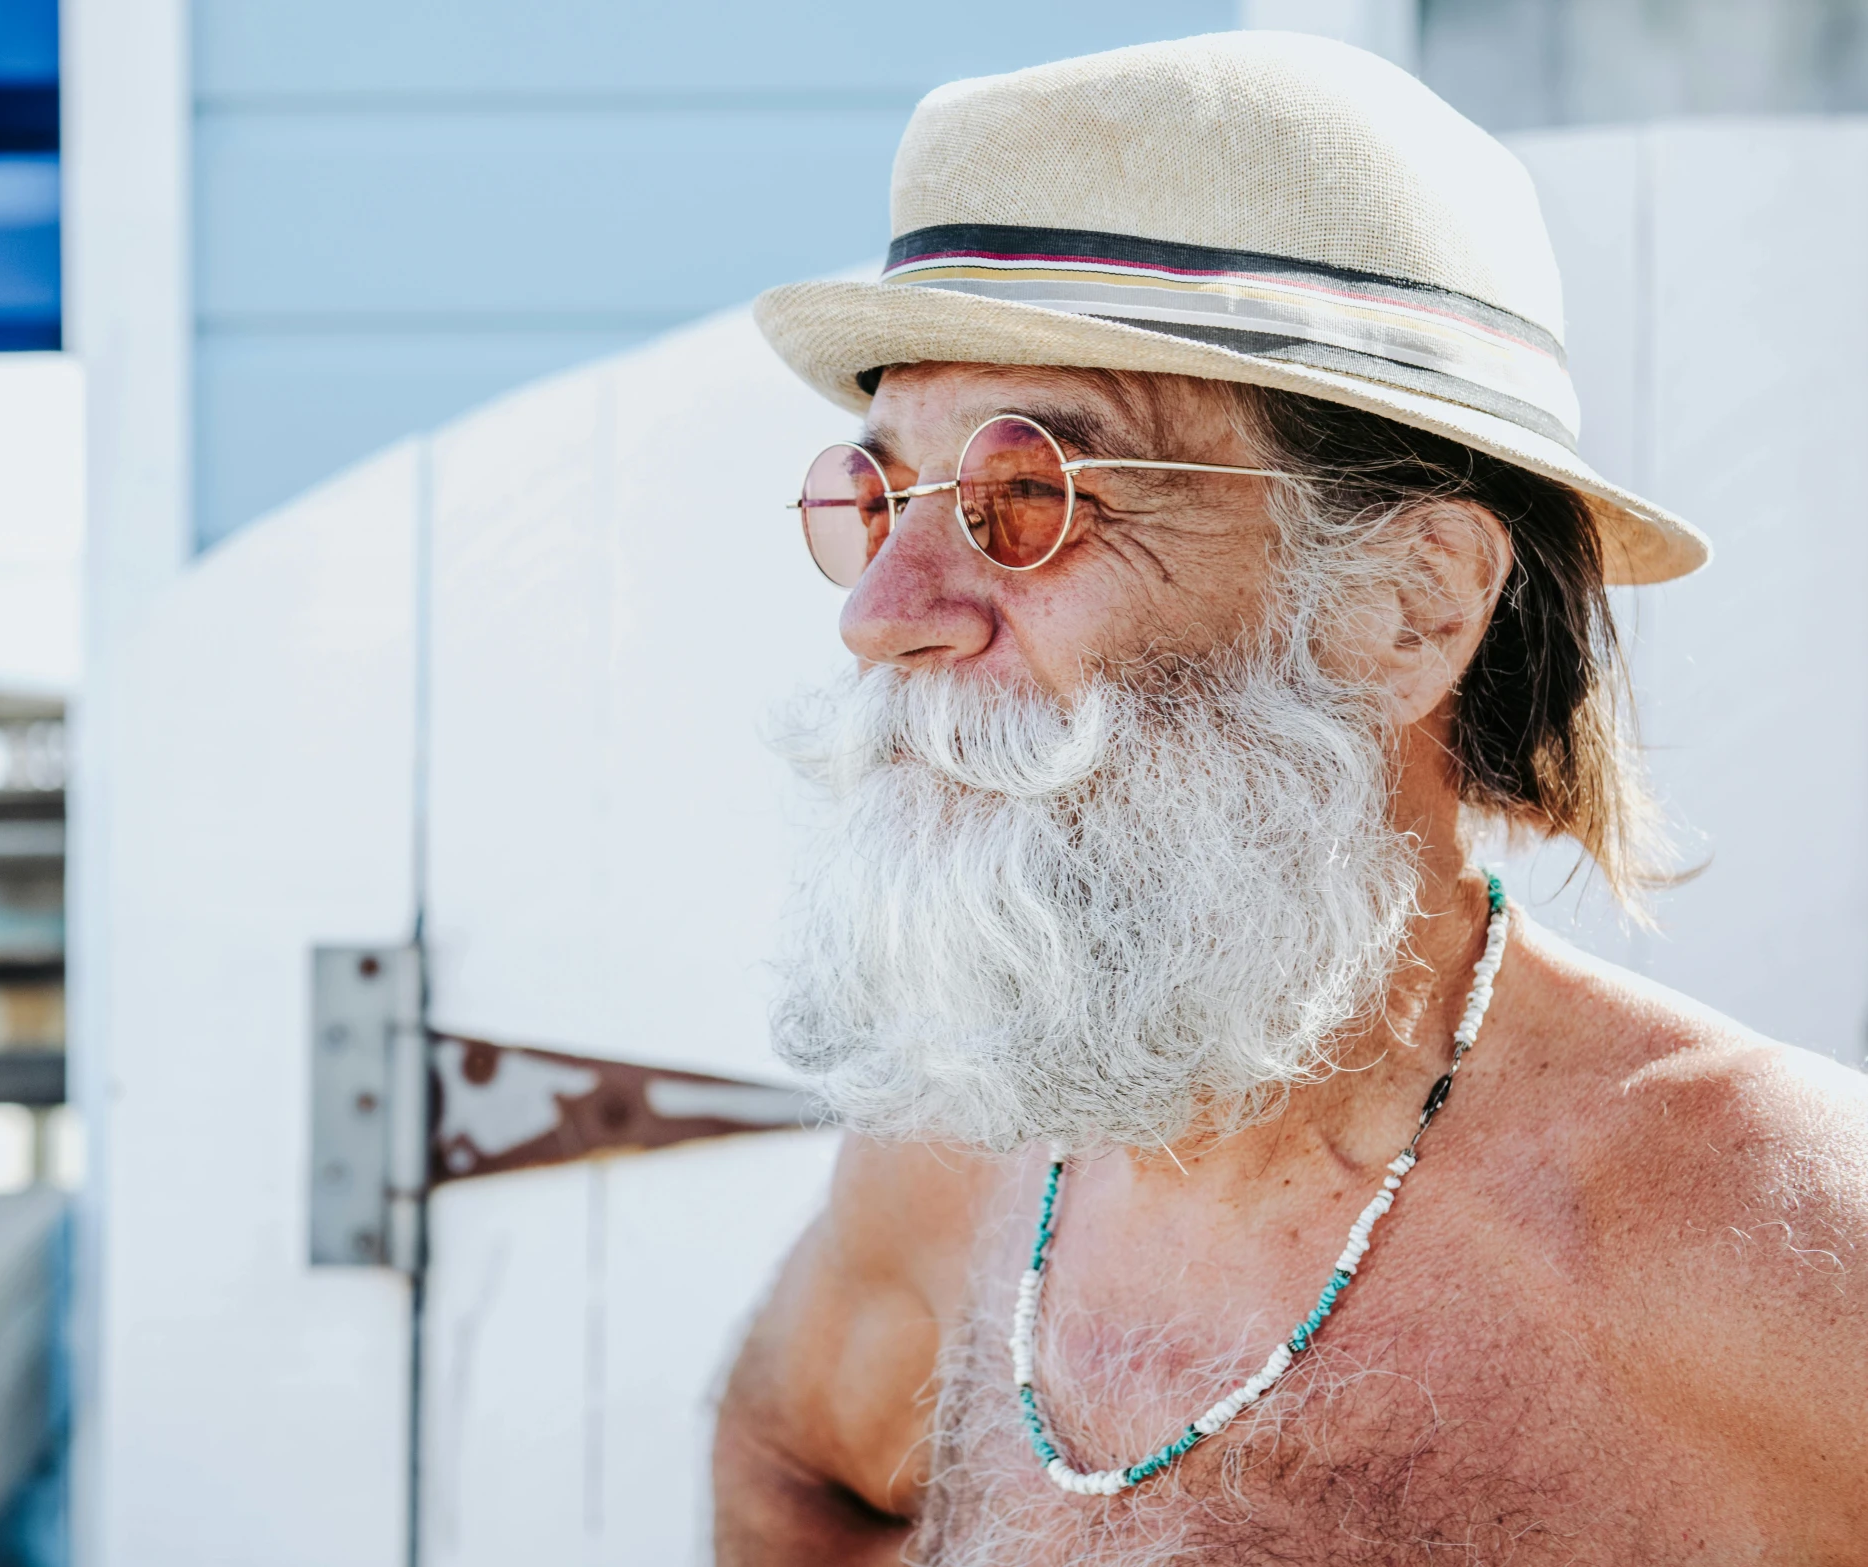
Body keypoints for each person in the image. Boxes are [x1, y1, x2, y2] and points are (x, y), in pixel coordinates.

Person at [712, 32, 1868, 1564]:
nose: (883, 608)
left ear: (1405, 602)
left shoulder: (1784, 1254)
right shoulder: (959, 1148)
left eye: (1028, 492)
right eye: (878, 501)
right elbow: (794, 1459)